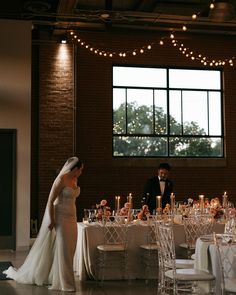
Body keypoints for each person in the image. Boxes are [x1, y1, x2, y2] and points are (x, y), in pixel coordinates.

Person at [3, 156, 83, 292]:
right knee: (63, 249)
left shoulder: (75, 179)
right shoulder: (61, 180)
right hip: (61, 218)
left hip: (72, 217)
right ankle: (66, 284)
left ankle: (58, 276)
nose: (81, 172)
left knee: (70, 249)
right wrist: (51, 220)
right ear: (75, 169)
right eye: (81, 169)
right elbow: (50, 201)